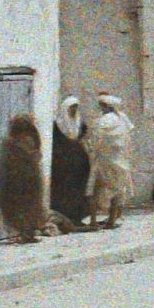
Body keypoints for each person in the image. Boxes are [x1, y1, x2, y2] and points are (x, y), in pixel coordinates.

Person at [0, 113, 49, 244]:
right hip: (23, 179)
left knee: (25, 206)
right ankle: (26, 233)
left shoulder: (11, 142)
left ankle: (27, 233)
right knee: (26, 206)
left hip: (23, 179)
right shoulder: (14, 142)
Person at [88, 94, 135, 229]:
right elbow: (128, 137)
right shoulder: (122, 118)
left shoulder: (102, 120)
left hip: (103, 160)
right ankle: (111, 220)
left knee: (95, 188)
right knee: (118, 189)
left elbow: (95, 139)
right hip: (120, 160)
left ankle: (93, 221)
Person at [48, 95, 92, 229]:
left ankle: (77, 217)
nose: (73, 110)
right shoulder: (57, 124)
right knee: (63, 190)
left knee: (79, 189)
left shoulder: (80, 123)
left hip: (79, 161)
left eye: (75, 108)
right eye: (71, 108)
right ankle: (64, 218)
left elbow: (83, 139)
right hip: (62, 162)